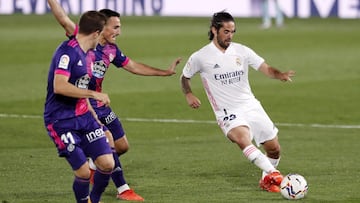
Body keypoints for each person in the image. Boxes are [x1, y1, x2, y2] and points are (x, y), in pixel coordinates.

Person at [47, 0, 181, 201]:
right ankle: (122, 188)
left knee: (122, 146)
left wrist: (164, 73)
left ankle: (95, 165)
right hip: (84, 103)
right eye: (116, 27)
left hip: (101, 103)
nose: (119, 31)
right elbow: (62, 18)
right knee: (107, 141)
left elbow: (134, 66)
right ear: (102, 28)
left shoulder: (111, 50)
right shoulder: (80, 41)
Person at [180, 11, 295, 193]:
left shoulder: (242, 50)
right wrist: (189, 94)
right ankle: (275, 175)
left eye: (233, 31)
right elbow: (185, 77)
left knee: (274, 149)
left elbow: (264, 67)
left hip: (251, 105)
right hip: (227, 111)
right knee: (243, 139)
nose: (230, 36)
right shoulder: (200, 56)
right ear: (214, 30)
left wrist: (279, 74)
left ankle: (266, 180)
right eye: (226, 31)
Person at [44, 10, 114, 203]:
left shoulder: (86, 51)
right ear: (95, 33)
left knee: (107, 163)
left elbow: (63, 18)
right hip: (61, 120)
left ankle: (94, 200)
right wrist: (93, 93)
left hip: (84, 117)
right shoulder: (68, 52)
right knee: (83, 172)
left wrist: (98, 122)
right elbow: (59, 86)